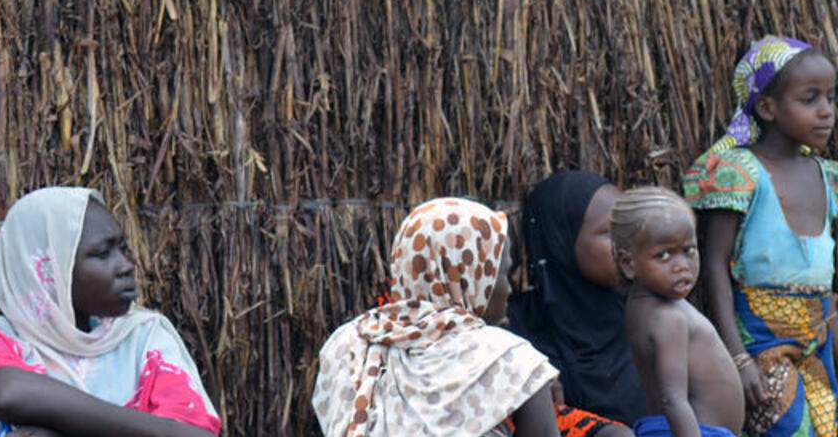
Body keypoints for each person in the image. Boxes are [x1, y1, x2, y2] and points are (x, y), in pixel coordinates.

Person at [682, 37, 838, 437]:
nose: (826, 111)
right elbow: (714, 266)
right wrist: (738, 358)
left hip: (818, 349)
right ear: (767, 108)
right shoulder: (740, 173)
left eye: (830, 98)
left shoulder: (828, 178)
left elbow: (822, 291)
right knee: (787, 427)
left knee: (822, 429)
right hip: (757, 342)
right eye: (809, 99)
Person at [0, 186, 221, 437]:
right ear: (51, 270)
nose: (126, 266)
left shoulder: (145, 338)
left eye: (123, 249)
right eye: (103, 254)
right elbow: (7, 395)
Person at [311, 197, 560, 437]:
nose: (509, 289)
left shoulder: (348, 346)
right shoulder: (511, 359)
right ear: (470, 278)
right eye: (503, 273)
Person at [509, 172, 643, 437]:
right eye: (610, 233)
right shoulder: (514, 338)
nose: (630, 244)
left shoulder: (646, 314)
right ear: (561, 241)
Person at [612, 187, 746, 437]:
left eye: (689, 250)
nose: (682, 266)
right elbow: (673, 400)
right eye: (663, 255)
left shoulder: (639, 305)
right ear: (628, 263)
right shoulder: (668, 318)